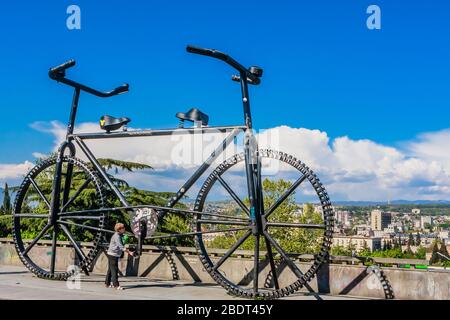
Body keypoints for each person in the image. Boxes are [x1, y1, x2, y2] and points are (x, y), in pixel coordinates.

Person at [105, 223, 134, 290]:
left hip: (112, 254)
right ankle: (116, 285)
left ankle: (107, 283)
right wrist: (130, 252)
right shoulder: (117, 236)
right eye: (123, 228)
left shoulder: (119, 235)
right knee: (114, 270)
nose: (124, 229)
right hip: (113, 254)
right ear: (119, 229)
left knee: (110, 269)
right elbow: (121, 247)